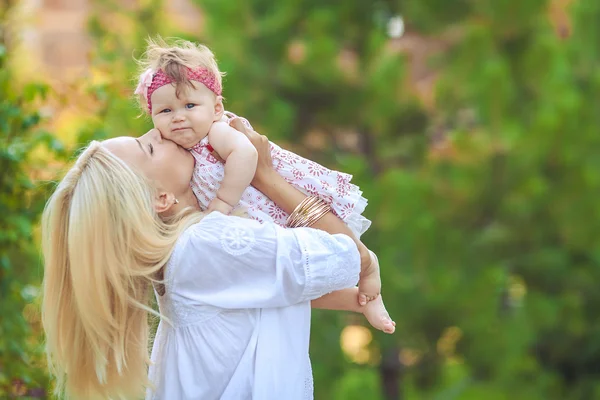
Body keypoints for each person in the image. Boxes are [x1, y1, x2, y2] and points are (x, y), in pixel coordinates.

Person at [41, 118, 395, 400]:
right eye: (147, 147)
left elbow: (261, 294)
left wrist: (354, 298)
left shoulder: (183, 253)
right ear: (161, 198)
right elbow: (348, 255)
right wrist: (265, 176)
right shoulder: (206, 243)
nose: (158, 131)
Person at [134, 37, 381, 305]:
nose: (178, 116)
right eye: (165, 110)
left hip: (262, 202)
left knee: (323, 249)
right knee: (284, 273)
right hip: (250, 218)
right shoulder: (175, 148)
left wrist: (222, 202)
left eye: (190, 106)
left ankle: (369, 267)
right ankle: (358, 301)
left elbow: (246, 154)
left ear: (217, 108)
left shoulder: (217, 131)